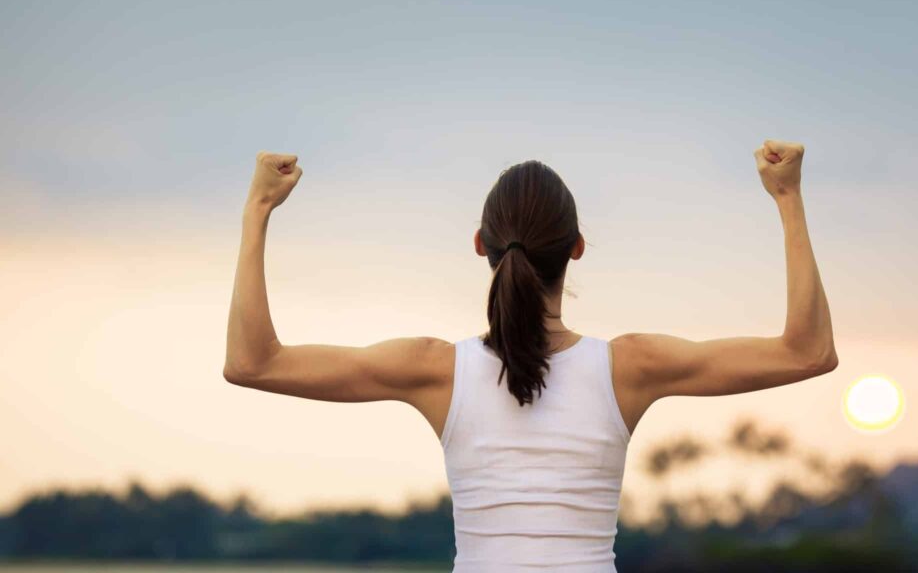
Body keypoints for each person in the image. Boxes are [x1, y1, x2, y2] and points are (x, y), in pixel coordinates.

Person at [224, 140, 837, 572]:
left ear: (479, 245)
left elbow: (253, 363)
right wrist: (787, 197)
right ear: (576, 248)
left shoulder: (434, 368)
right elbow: (807, 352)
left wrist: (257, 212)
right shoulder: (632, 366)